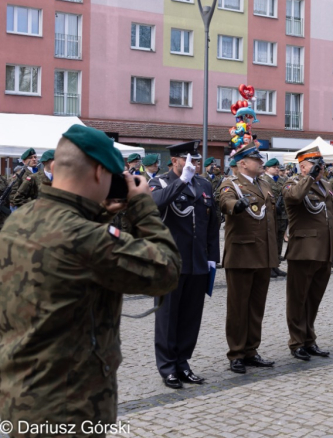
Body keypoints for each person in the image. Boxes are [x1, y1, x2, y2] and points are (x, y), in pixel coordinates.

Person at [0, 124, 181, 435]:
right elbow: (165, 270)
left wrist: (100, 215)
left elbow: (74, 245)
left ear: (54, 168)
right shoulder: (84, 237)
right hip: (69, 409)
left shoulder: (20, 220)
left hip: (19, 396)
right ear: (100, 173)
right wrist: (141, 207)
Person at [149, 141, 220, 389]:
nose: (195, 165)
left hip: (198, 262)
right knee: (167, 317)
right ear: (175, 161)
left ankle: (183, 363)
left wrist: (213, 256)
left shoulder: (204, 185)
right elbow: (154, 204)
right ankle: (167, 367)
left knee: (191, 317)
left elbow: (213, 224)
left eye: (198, 161)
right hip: (169, 262)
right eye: (189, 160)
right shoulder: (160, 182)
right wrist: (181, 182)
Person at [219, 142, 278, 374]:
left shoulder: (264, 183)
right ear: (243, 163)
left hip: (263, 253)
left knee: (256, 306)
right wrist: (237, 205)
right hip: (242, 254)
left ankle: (251, 350)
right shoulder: (230, 184)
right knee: (238, 307)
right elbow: (225, 202)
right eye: (256, 160)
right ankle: (236, 353)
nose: (261, 163)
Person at [282, 147, 333, 361]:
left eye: (321, 166)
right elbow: (295, 198)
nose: (321, 169)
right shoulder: (292, 184)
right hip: (303, 251)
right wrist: (310, 178)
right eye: (316, 166)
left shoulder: (327, 185)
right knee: (298, 299)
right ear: (303, 167)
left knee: (313, 299)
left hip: (324, 250)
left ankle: (309, 339)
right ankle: (296, 342)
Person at [261, 158, 288, 276]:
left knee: (279, 240)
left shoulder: (282, 181)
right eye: (275, 167)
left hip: (282, 215)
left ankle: (276, 264)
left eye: (278, 167)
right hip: (270, 215)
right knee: (270, 240)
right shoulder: (263, 180)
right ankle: (269, 266)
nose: (277, 169)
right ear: (267, 168)